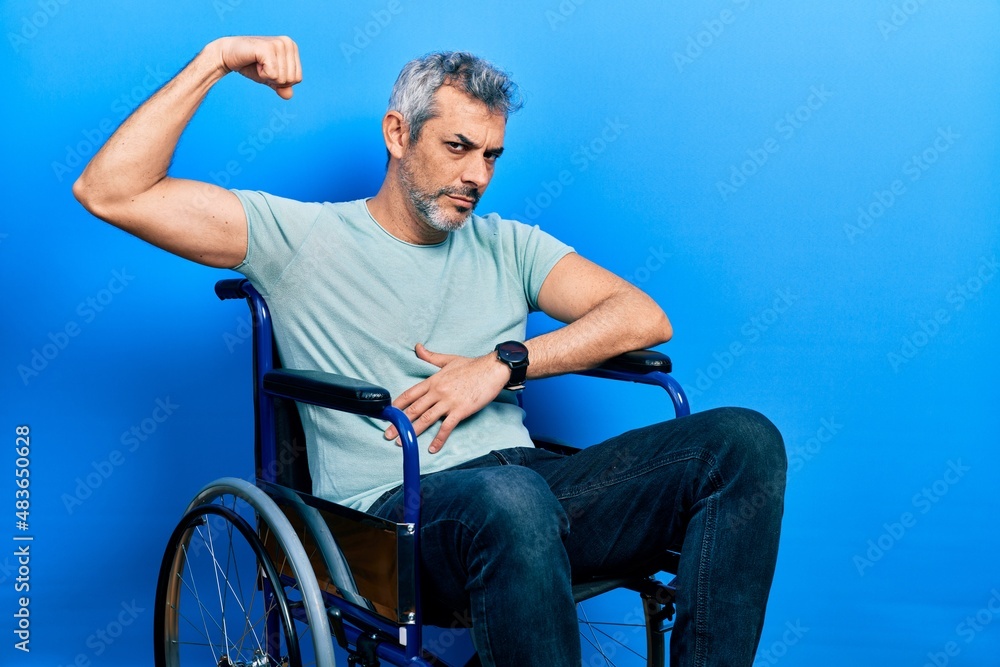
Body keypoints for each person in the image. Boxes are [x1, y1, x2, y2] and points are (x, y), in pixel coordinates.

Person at [74, 36, 786, 667]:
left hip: (532, 488)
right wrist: (216, 61)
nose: (476, 173)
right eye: (457, 147)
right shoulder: (301, 237)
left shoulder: (509, 243)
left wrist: (503, 364)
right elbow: (109, 190)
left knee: (745, 440)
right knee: (510, 499)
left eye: (491, 155)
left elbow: (643, 316)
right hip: (397, 516)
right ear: (396, 132)